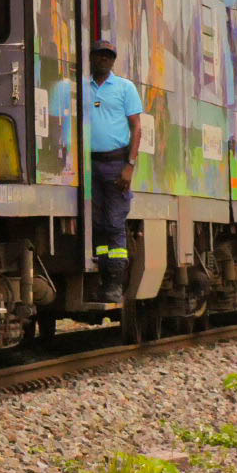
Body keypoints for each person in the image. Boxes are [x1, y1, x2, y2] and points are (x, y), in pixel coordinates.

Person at [85, 37, 143, 304]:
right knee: (97, 224)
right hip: (89, 165)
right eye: (100, 55)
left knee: (114, 223)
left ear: (113, 61)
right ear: (91, 57)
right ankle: (101, 278)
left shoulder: (124, 88)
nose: (104, 59)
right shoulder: (82, 87)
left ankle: (114, 282)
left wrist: (129, 166)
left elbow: (136, 127)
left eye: (109, 56)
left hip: (116, 163)